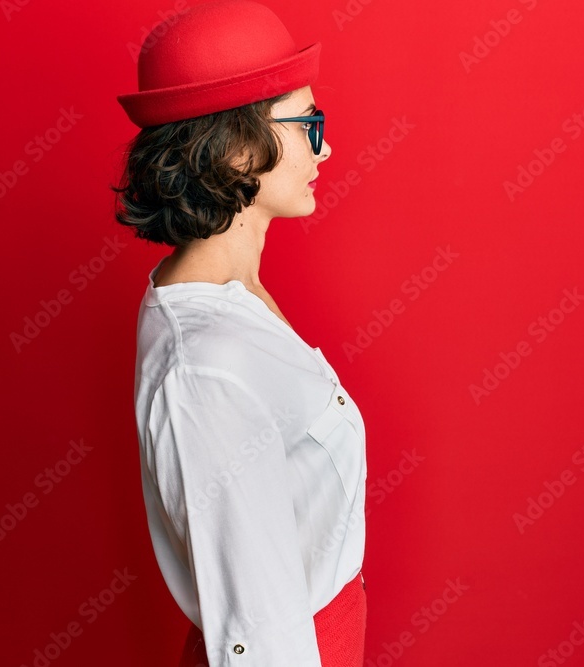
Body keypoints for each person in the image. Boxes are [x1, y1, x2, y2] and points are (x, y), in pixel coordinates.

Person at [114, 1, 368, 664]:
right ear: (233, 149)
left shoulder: (231, 297)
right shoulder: (206, 366)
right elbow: (256, 635)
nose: (326, 145)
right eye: (308, 123)